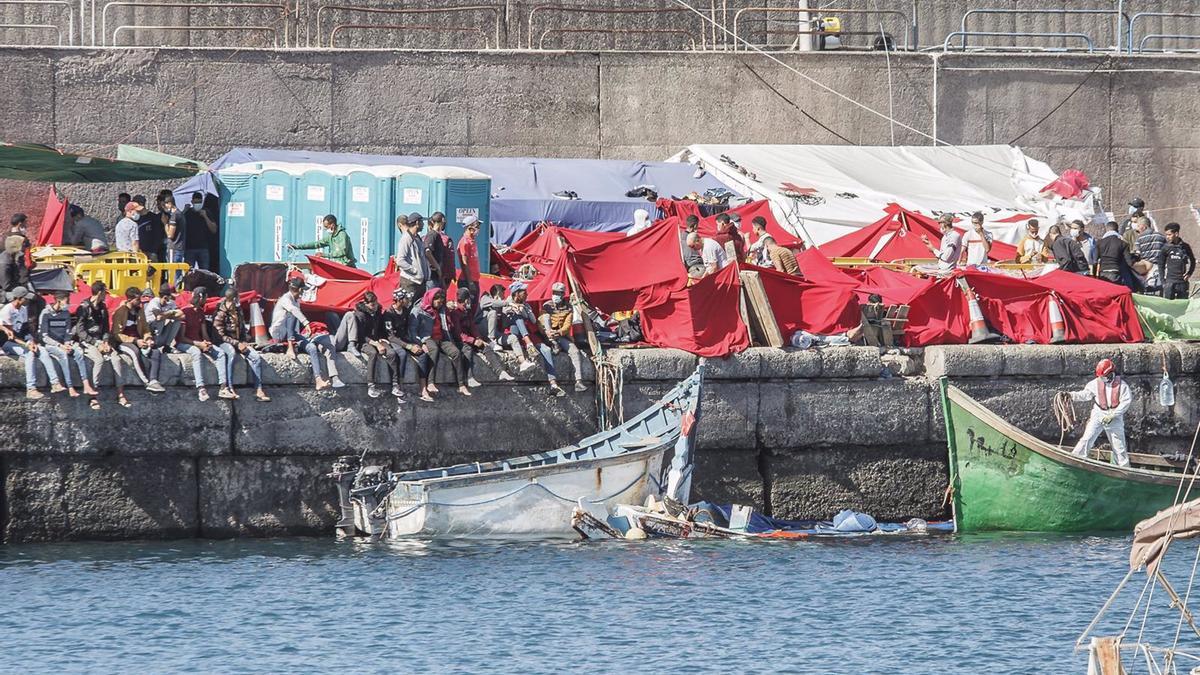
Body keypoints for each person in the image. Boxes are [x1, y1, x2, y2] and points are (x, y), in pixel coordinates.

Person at [270, 277, 343, 389]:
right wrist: (306, 322)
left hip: (292, 333)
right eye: (302, 290)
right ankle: (290, 347)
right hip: (280, 333)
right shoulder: (286, 299)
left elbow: (294, 324)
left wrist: (303, 336)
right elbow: (294, 312)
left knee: (311, 347)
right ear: (299, 290)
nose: (303, 292)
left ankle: (318, 379)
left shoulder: (296, 301)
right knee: (292, 313)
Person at [73, 281, 130, 408]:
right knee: (98, 360)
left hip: (101, 340)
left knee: (116, 358)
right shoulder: (84, 308)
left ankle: (120, 394)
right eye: (105, 293)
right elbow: (80, 331)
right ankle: (93, 396)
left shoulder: (103, 308)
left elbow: (105, 328)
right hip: (88, 341)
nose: (106, 295)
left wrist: (105, 341)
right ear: (100, 292)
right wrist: (95, 343)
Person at [1068, 358, 1131, 468]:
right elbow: (1085, 395)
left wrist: (1113, 415)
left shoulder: (1123, 386)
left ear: (1112, 373)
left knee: (1119, 447)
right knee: (1087, 438)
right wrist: (1070, 395)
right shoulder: (1094, 384)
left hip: (1114, 417)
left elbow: (1125, 403)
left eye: (1105, 376)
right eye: (1101, 377)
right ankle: (1075, 461)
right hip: (1098, 414)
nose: (1103, 379)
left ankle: (1124, 469)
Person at [211, 288, 270, 402]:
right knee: (231, 353)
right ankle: (229, 387)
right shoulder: (220, 313)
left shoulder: (238, 311)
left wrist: (244, 341)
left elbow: (242, 329)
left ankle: (258, 389)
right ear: (232, 299)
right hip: (224, 342)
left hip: (238, 342)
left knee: (256, 357)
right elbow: (219, 336)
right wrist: (237, 344)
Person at [410, 288, 472, 397]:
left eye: (441, 302)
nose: (439, 305)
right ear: (432, 299)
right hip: (427, 338)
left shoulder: (442, 309)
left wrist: (450, 309)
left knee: (456, 353)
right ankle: (430, 383)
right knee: (433, 350)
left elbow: (448, 322)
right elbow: (412, 330)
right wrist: (420, 343)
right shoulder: (418, 310)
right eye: (438, 302)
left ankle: (461, 385)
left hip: (442, 338)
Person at [176, 287, 230, 402]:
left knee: (220, 353)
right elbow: (181, 337)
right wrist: (199, 344)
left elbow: (204, 333)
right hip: (184, 343)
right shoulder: (184, 312)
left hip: (199, 342)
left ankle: (223, 387)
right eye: (206, 297)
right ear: (201, 297)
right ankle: (201, 388)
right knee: (196, 353)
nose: (207, 300)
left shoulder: (200, 312)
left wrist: (207, 343)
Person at [1, 286, 56, 399]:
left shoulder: (23, 309)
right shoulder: (7, 310)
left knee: (43, 350)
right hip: (7, 343)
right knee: (29, 353)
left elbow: (25, 329)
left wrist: (31, 340)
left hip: (21, 341)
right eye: (25, 298)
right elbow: (11, 336)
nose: (27, 300)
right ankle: (31, 388)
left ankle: (55, 382)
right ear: (18, 298)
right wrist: (27, 344)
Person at [110, 287, 165, 393]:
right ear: (130, 299)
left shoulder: (140, 311)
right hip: (124, 342)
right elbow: (117, 334)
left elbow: (145, 328)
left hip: (140, 340)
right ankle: (146, 382)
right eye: (138, 300)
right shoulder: (120, 312)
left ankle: (154, 380)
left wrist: (148, 338)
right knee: (135, 352)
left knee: (155, 352)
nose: (140, 302)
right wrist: (135, 341)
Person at [539, 282, 586, 393]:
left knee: (575, 351)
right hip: (548, 335)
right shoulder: (547, 305)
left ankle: (578, 381)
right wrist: (547, 332)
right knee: (545, 317)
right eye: (554, 293)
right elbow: (540, 321)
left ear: (563, 294)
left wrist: (559, 332)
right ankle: (552, 343)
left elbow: (567, 324)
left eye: (558, 293)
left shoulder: (568, 307)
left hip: (560, 335)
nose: (556, 295)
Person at [37, 291, 84, 399]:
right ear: (58, 301)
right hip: (49, 344)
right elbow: (44, 336)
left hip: (63, 344)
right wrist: (60, 346)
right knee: (63, 355)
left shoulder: (66, 313)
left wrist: (67, 343)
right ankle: (70, 386)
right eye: (67, 301)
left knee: (79, 353)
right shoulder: (45, 313)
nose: (69, 303)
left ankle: (85, 384)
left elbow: (68, 333)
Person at [499, 281, 540, 374]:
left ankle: (528, 344)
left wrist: (525, 309)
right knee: (516, 316)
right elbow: (503, 314)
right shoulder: (507, 301)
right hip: (509, 333)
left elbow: (533, 320)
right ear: (517, 294)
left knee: (518, 317)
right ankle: (529, 344)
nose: (527, 294)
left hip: (519, 334)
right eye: (524, 293)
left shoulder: (526, 304)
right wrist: (513, 308)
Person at [289, 214, 356, 268]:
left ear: (332, 225)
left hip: (347, 267)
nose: (325, 229)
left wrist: (324, 255)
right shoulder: (331, 237)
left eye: (326, 227)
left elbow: (342, 252)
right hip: (337, 266)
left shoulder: (342, 235)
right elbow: (316, 244)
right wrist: (297, 247)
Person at [1158, 222, 1195, 300]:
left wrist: (1189, 273)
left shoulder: (1185, 247)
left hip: (1182, 282)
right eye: (1166, 235)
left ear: (1176, 234)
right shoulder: (1166, 248)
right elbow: (1161, 264)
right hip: (1170, 282)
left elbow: (1193, 261)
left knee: (1182, 306)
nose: (1167, 237)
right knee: (1168, 306)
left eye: (1169, 235)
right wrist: (1163, 281)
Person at [395, 212, 429, 297]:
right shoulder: (406, 238)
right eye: (422, 222)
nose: (423, 225)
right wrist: (414, 271)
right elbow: (400, 260)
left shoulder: (417, 238)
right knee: (409, 308)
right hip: (410, 282)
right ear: (417, 223)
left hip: (420, 282)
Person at [182, 192, 218, 271]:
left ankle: (205, 284)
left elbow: (214, 229)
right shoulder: (188, 213)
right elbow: (179, 225)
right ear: (192, 202)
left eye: (199, 202)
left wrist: (205, 217)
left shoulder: (207, 212)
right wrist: (184, 211)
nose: (198, 204)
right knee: (188, 272)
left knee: (205, 272)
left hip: (203, 248)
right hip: (189, 248)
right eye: (196, 202)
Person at [1135, 216, 1169, 295]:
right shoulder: (1161, 236)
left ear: (1144, 226)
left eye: (1138, 226)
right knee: (1159, 291)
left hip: (1146, 268)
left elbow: (1137, 254)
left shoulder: (1139, 239)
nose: (1137, 229)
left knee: (1148, 292)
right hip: (1160, 268)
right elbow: (1167, 251)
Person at [1096, 221, 1136, 287]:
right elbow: (1129, 262)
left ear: (1106, 229)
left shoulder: (1099, 243)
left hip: (1103, 272)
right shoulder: (1123, 243)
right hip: (1116, 272)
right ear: (1117, 230)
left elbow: (1094, 260)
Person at [144, 283, 183, 349]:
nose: (172, 297)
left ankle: (167, 346)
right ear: (165, 296)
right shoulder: (155, 301)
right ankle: (154, 344)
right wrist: (171, 312)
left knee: (177, 321)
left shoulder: (171, 302)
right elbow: (159, 317)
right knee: (161, 320)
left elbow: (182, 315)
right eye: (171, 295)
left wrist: (168, 314)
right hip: (150, 332)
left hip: (161, 333)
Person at [423, 212, 455, 289]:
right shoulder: (432, 235)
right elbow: (427, 252)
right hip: (432, 276)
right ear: (443, 221)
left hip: (438, 276)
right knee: (433, 298)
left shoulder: (437, 235)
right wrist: (437, 267)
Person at [134, 194, 164, 262]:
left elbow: (158, 236)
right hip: (139, 253)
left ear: (140, 204)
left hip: (151, 253)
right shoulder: (135, 219)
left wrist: (154, 251)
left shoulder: (153, 218)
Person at [162, 195, 187, 274]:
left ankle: (173, 286)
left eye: (164, 205)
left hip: (174, 248)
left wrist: (165, 223)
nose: (164, 208)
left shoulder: (174, 216)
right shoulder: (180, 214)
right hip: (180, 247)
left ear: (169, 203)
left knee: (173, 272)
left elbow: (170, 235)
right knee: (177, 272)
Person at [457, 215, 482, 294]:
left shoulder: (472, 241)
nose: (478, 229)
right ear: (470, 228)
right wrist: (470, 282)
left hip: (474, 280)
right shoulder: (465, 242)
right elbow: (465, 263)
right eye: (477, 226)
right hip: (467, 281)